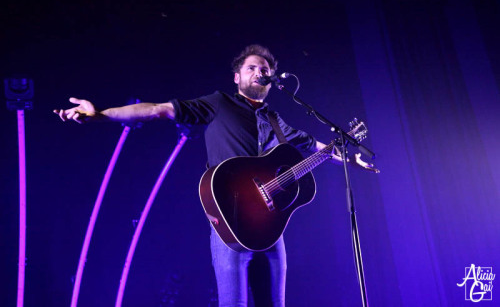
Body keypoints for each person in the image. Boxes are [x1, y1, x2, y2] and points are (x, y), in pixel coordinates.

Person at [55, 44, 378, 306]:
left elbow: (315, 145)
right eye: (251, 67)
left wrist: (350, 160)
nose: (260, 72)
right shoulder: (219, 103)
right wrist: (100, 115)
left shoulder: (276, 119)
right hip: (231, 217)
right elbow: (157, 109)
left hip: (271, 224)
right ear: (236, 77)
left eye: (265, 68)